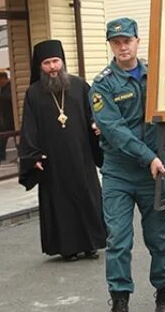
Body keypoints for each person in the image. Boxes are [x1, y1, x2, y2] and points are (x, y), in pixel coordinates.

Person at [91, 18, 165, 312]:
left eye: (127, 40)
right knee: (118, 240)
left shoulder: (157, 75)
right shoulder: (103, 85)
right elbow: (114, 130)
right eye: (116, 42)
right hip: (119, 173)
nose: (122, 47)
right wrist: (150, 156)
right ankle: (120, 309)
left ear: (138, 41)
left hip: (154, 171)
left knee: (158, 238)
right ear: (111, 46)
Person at [18, 39, 106, 261]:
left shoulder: (79, 86)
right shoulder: (34, 93)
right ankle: (67, 248)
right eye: (47, 63)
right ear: (40, 66)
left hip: (81, 155)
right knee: (60, 202)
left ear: (63, 62)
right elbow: (29, 127)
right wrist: (32, 155)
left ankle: (91, 245)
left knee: (87, 196)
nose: (53, 67)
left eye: (56, 61)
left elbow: (93, 114)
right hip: (52, 160)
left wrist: (96, 126)